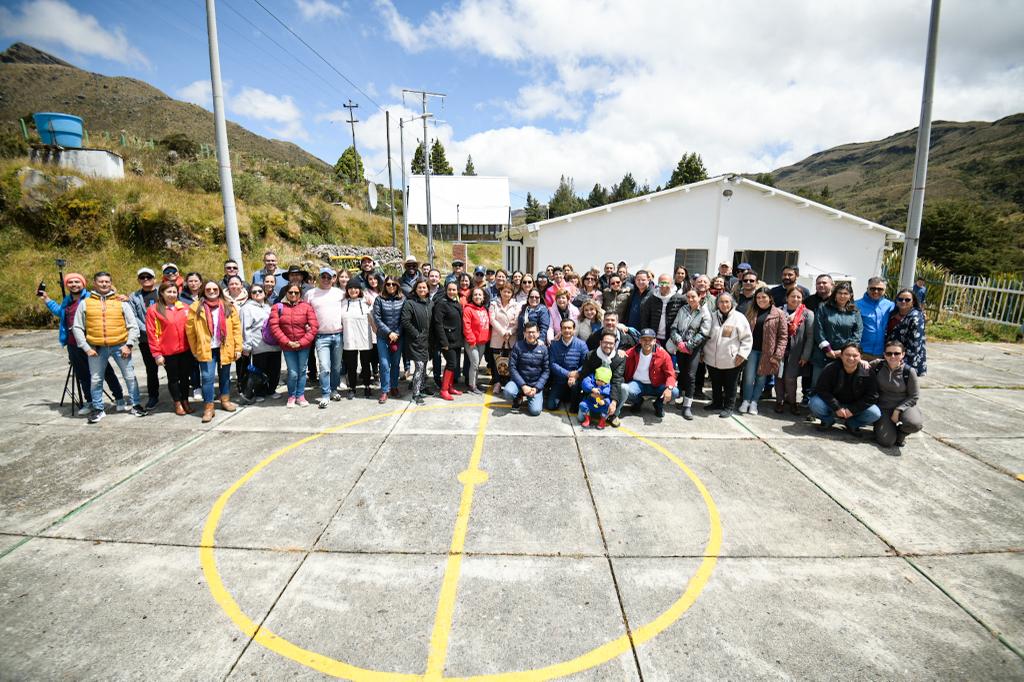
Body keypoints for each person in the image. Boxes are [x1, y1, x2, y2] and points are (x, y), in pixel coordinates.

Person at [43, 272, 127, 414]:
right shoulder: (67, 300)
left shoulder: (90, 297)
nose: (74, 284)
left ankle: (119, 398)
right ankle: (90, 402)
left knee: (105, 372)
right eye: (71, 282)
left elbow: (108, 304)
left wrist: (122, 297)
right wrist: (46, 299)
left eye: (77, 282)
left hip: (92, 341)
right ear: (66, 285)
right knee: (83, 374)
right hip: (73, 342)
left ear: (83, 284)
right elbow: (61, 313)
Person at [72, 272, 147, 423]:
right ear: (95, 283)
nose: (104, 284)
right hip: (96, 348)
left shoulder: (121, 303)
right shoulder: (85, 303)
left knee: (130, 376)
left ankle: (136, 404)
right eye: (101, 282)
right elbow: (77, 327)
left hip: (120, 346)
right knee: (96, 379)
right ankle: (98, 409)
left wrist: (129, 344)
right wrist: (86, 347)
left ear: (111, 283)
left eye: (107, 281)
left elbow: (133, 326)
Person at [185, 280, 242, 422]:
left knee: (225, 376)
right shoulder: (195, 307)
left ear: (219, 290)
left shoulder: (228, 306)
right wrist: (194, 350)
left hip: (224, 347)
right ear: (203, 290)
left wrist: (238, 348)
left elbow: (236, 329)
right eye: (208, 289)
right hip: (206, 349)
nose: (212, 291)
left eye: (215, 289)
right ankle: (209, 407)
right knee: (207, 378)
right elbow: (190, 332)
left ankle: (225, 400)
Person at [809, 342, 881, 438]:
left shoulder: (867, 372)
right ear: (841, 355)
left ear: (861, 357)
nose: (851, 358)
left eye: (855, 355)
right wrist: (837, 407)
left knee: (875, 413)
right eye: (847, 355)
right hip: (834, 404)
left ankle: (852, 423)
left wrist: (852, 410)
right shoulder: (831, 368)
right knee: (814, 403)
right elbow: (822, 390)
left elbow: (872, 396)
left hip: (854, 405)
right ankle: (828, 420)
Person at [145, 281, 194, 416]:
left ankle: (185, 400)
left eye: (174, 292)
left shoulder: (184, 307)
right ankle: (177, 402)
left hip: (185, 350)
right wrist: (157, 354)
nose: (172, 295)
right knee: (173, 378)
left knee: (185, 378)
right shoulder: (154, 310)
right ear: (161, 293)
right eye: (169, 292)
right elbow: (152, 333)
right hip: (168, 352)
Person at [702, 292, 752, 418]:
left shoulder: (739, 318)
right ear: (717, 304)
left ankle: (729, 407)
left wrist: (742, 354)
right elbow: (705, 336)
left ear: (732, 303)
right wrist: (702, 352)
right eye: (721, 302)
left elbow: (747, 339)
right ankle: (717, 403)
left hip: (732, 359)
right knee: (716, 382)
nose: (724, 305)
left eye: (727, 302)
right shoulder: (712, 317)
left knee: (731, 384)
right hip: (712, 358)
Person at [738, 287, 787, 415]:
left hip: (768, 352)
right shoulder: (751, 311)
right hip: (751, 350)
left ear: (770, 298)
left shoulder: (778, 314)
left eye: (764, 297)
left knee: (761, 378)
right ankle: (746, 401)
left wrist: (777, 355)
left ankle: (754, 402)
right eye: (758, 297)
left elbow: (783, 336)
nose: (761, 300)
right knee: (748, 377)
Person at [871, 340, 923, 449]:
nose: (892, 356)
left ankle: (901, 434)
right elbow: (859, 366)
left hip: (904, 406)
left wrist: (898, 409)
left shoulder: (909, 372)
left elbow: (914, 396)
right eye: (889, 353)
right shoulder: (877, 365)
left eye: (897, 353)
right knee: (887, 442)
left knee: (915, 424)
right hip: (883, 408)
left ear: (903, 354)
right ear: (884, 354)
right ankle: (889, 430)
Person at [669, 289, 711, 420]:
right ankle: (681, 399)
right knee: (682, 372)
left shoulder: (705, 313)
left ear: (700, 297)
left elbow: (704, 333)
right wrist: (679, 342)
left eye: (693, 296)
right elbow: (674, 327)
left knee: (691, 375)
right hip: (680, 347)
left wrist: (688, 345)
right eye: (688, 297)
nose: (690, 299)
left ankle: (687, 406)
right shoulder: (683, 309)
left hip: (694, 349)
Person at [812, 281, 862, 390]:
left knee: (839, 386)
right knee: (818, 385)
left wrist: (843, 352)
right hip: (823, 355)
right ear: (835, 294)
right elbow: (818, 329)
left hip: (844, 356)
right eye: (840, 293)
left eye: (846, 293)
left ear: (850, 296)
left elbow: (857, 334)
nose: (842, 296)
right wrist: (828, 350)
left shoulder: (855, 312)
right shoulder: (823, 307)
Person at [306, 267, 345, 407]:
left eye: (329, 277)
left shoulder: (340, 293)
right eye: (323, 277)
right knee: (324, 366)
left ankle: (334, 390)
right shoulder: (310, 294)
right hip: (321, 336)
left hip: (338, 334)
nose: (326, 280)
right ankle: (325, 394)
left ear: (333, 279)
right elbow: (306, 312)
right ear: (319, 278)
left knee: (336, 367)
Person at [624, 328, 679, 419]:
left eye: (650, 340)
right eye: (644, 339)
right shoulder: (632, 351)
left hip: (656, 385)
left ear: (654, 341)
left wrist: (669, 388)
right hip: (638, 384)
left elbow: (671, 374)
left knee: (674, 391)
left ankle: (658, 404)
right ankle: (638, 401)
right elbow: (621, 356)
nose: (647, 342)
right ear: (640, 340)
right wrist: (619, 352)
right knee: (625, 389)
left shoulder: (663, 354)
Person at [239, 283, 280, 402]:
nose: (257, 293)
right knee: (259, 371)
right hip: (258, 345)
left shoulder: (269, 307)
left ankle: (271, 390)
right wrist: (246, 346)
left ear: (264, 293)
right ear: (250, 295)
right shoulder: (246, 308)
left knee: (274, 369)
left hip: (274, 345)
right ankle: (259, 392)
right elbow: (244, 328)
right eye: (254, 292)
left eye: (260, 291)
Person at [777, 288, 815, 415]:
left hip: (796, 352)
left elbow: (810, 337)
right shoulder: (779, 311)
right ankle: (779, 401)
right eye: (793, 296)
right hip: (780, 351)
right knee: (779, 377)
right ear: (787, 298)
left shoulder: (807, 313)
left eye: (799, 297)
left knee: (791, 378)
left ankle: (793, 402)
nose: (796, 299)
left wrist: (805, 355)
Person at [128, 267, 161, 410]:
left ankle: (178, 397)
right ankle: (153, 396)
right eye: (143, 277)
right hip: (145, 339)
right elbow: (133, 316)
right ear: (139, 280)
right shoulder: (134, 297)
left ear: (154, 278)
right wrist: (148, 329)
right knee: (151, 369)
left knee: (173, 369)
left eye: (149, 277)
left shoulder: (163, 291)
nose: (146, 279)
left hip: (165, 337)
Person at [580, 330, 628, 427]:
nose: (608, 345)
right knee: (580, 418)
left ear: (615, 344)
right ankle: (592, 412)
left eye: (611, 343)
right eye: (605, 342)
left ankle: (613, 414)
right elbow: (585, 376)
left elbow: (616, 380)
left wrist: (613, 402)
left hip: (608, 391)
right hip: (593, 392)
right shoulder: (590, 355)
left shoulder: (620, 358)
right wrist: (591, 391)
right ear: (600, 342)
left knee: (624, 388)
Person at [503, 321, 549, 416]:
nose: (531, 334)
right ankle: (518, 397)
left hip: (535, 385)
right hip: (519, 383)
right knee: (508, 391)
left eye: (533, 332)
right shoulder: (518, 346)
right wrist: (523, 386)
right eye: (528, 332)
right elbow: (512, 367)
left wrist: (536, 388)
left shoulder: (544, 349)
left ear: (538, 333)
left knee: (535, 411)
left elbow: (546, 371)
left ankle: (532, 397)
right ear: (524, 333)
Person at [373, 276, 406, 403]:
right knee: (384, 364)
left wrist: (396, 333)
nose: (391, 286)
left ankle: (394, 387)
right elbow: (377, 318)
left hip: (398, 337)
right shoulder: (379, 299)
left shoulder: (403, 299)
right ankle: (384, 390)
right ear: (384, 286)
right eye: (388, 284)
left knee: (396, 364)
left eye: (393, 284)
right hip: (383, 337)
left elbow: (404, 318)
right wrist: (389, 332)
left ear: (397, 285)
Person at [338, 280, 374, 399]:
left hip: (365, 337)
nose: (353, 290)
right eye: (350, 288)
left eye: (356, 288)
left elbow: (373, 318)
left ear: (360, 290)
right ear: (347, 290)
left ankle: (367, 386)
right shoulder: (342, 302)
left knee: (365, 364)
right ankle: (352, 387)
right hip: (349, 338)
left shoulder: (367, 302)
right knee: (351, 365)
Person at [401, 279, 433, 405]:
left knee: (424, 365)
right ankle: (416, 394)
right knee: (419, 367)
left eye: (424, 288)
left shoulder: (430, 303)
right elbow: (405, 321)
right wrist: (416, 334)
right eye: (419, 287)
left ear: (428, 290)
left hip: (427, 341)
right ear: (415, 289)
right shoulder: (410, 303)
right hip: (415, 341)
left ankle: (422, 386)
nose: (422, 290)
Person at [432, 281, 465, 401]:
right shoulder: (441, 304)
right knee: (451, 363)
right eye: (449, 290)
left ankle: (450, 387)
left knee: (453, 365)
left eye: (454, 290)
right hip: (447, 341)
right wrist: (443, 342)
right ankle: (444, 390)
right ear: (446, 291)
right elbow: (438, 324)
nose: (452, 292)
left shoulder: (456, 303)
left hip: (456, 340)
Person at [546, 318, 588, 410]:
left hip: (575, 380)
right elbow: (552, 364)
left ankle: (574, 399)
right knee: (551, 406)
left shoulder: (582, 344)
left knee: (574, 408)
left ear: (574, 329)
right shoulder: (554, 344)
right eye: (564, 328)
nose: (567, 330)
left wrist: (575, 375)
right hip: (559, 380)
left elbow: (586, 363)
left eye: (569, 328)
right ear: (560, 330)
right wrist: (568, 374)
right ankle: (563, 396)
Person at [488, 284, 520, 396]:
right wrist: (503, 332)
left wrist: (510, 332)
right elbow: (492, 319)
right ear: (500, 291)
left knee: (510, 361)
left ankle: (508, 383)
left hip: (511, 337)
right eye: (504, 291)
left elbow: (517, 321)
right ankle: (497, 382)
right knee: (497, 360)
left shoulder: (516, 305)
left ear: (512, 294)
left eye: (509, 292)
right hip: (498, 337)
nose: (506, 294)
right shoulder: (493, 304)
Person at [887, 288, 927, 376]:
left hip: (906, 361)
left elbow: (915, 345)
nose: (903, 301)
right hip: (892, 356)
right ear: (896, 301)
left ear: (913, 302)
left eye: (907, 300)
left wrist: (903, 363)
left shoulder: (916, 317)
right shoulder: (892, 314)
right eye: (900, 299)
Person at [639, 274, 685, 349]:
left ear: (671, 284)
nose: (663, 286)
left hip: (671, 339)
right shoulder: (652, 298)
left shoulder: (679, 298)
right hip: (654, 337)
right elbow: (645, 318)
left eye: (666, 283)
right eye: (661, 283)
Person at [461, 287, 490, 394]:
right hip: (472, 343)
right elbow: (466, 326)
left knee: (476, 365)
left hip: (482, 342)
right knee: (475, 363)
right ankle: (472, 386)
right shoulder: (468, 309)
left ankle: (475, 383)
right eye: (475, 295)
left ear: (483, 297)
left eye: (479, 295)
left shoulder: (484, 309)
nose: (477, 296)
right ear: (472, 297)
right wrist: (471, 340)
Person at [856, 277, 894, 361]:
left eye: (880, 289)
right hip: (861, 352)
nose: (876, 291)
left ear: (885, 290)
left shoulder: (891, 305)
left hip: (882, 353)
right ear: (867, 289)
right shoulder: (856, 305)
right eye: (872, 288)